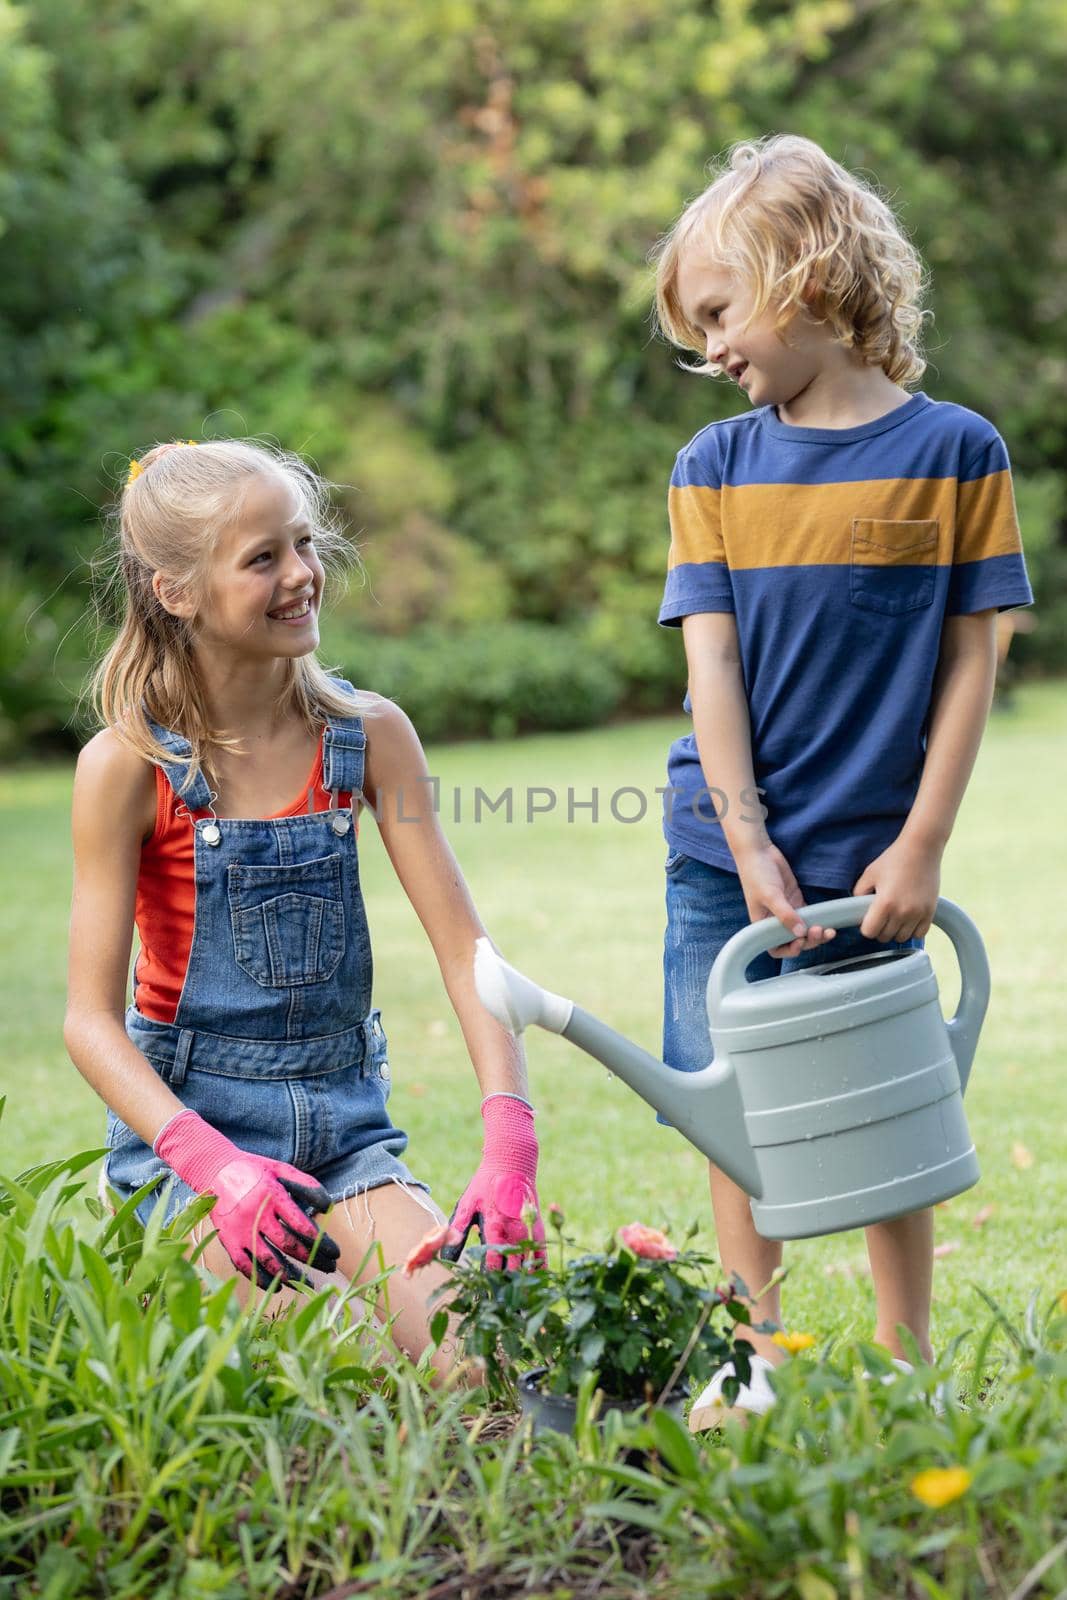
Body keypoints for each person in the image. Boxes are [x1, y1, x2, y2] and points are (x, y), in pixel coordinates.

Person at [649, 135, 1033, 1428]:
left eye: (715, 312)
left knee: (885, 1107)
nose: (706, 350)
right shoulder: (711, 469)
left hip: (872, 858)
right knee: (727, 1105)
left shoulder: (956, 454)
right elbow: (709, 670)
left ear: (803, 276)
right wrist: (746, 838)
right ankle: (749, 1354)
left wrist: (921, 845)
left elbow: (970, 667)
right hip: (725, 854)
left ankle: (904, 1360)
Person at [64, 438, 545, 1368]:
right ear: (175, 590)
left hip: (345, 1137)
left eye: (303, 544)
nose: (301, 575)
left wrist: (509, 1136)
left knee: (477, 1365)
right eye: (262, 559)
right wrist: (212, 1166)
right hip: (198, 1156)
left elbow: (466, 957)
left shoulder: (369, 738)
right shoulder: (127, 768)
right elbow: (90, 1023)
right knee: (346, 1367)